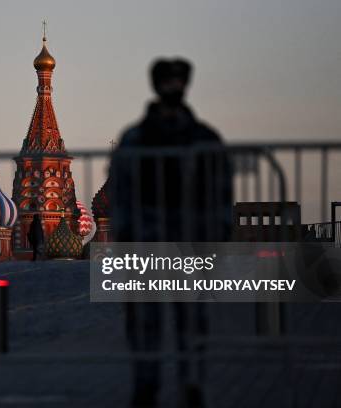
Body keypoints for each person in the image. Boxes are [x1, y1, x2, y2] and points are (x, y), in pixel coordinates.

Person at [109, 58, 233, 408]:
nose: (173, 87)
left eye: (179, 81)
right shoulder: (135, 139)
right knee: (144, 320)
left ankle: (192, 383)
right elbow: (121, 190)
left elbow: (221, 188)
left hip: (190, 240)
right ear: (157, 85)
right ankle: (145, 385)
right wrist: (124, 235)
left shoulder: (203, 137)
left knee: (191, 319)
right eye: (168, 81)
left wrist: (219, 232)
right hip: (145, 242)